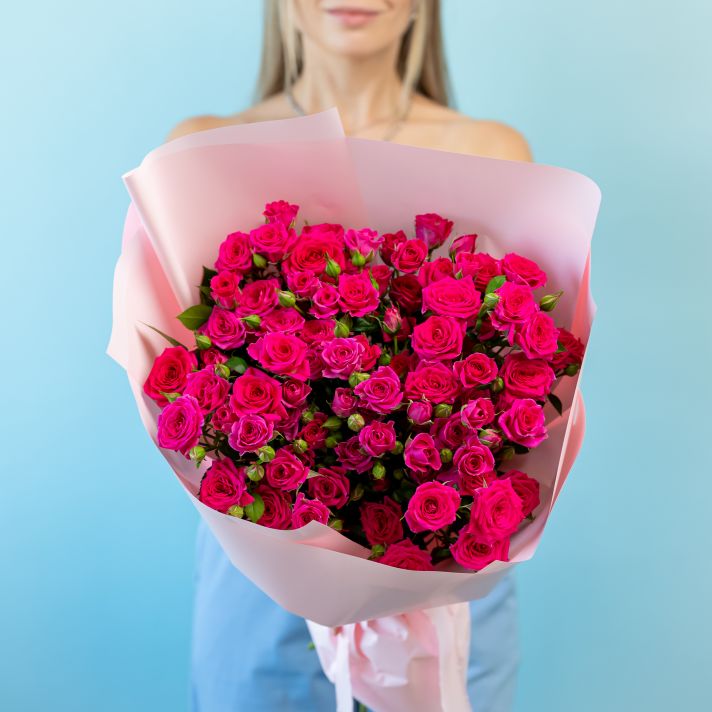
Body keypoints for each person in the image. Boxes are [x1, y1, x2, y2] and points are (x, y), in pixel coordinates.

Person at [168, 2, 530, 710]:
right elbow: (179, 375)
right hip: (257, 574)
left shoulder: (491, 149)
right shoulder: (201, 149)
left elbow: (524, 376)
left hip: (447, 571)